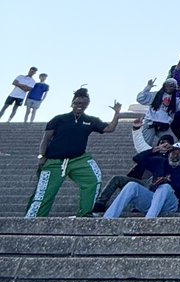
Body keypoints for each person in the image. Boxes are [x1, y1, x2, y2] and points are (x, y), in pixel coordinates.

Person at [25, 89, 121, 218]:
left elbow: (109, 128)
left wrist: (117, 113)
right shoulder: (59, 119)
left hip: (78, 159)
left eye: (84, 103)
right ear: (72, 103)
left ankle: (85, 214)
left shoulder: (90, 120)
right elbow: (46, 139)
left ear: (87, 105)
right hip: (55, 161)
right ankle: (33, 219)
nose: (80, 106)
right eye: (77, 103)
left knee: (93, 179)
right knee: (44, 192)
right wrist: (41, 156)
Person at [102, 142, 180, 220]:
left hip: (170, 204)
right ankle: (108, 218)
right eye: (173, 152)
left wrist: (167, 181)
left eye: (179, 153)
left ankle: (148, 222)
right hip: (153, 200)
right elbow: (137, 159)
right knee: (132, 185)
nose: (175, 156)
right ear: (169, 153)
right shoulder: (161, 162)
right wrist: (157, 149)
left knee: (165, 187)